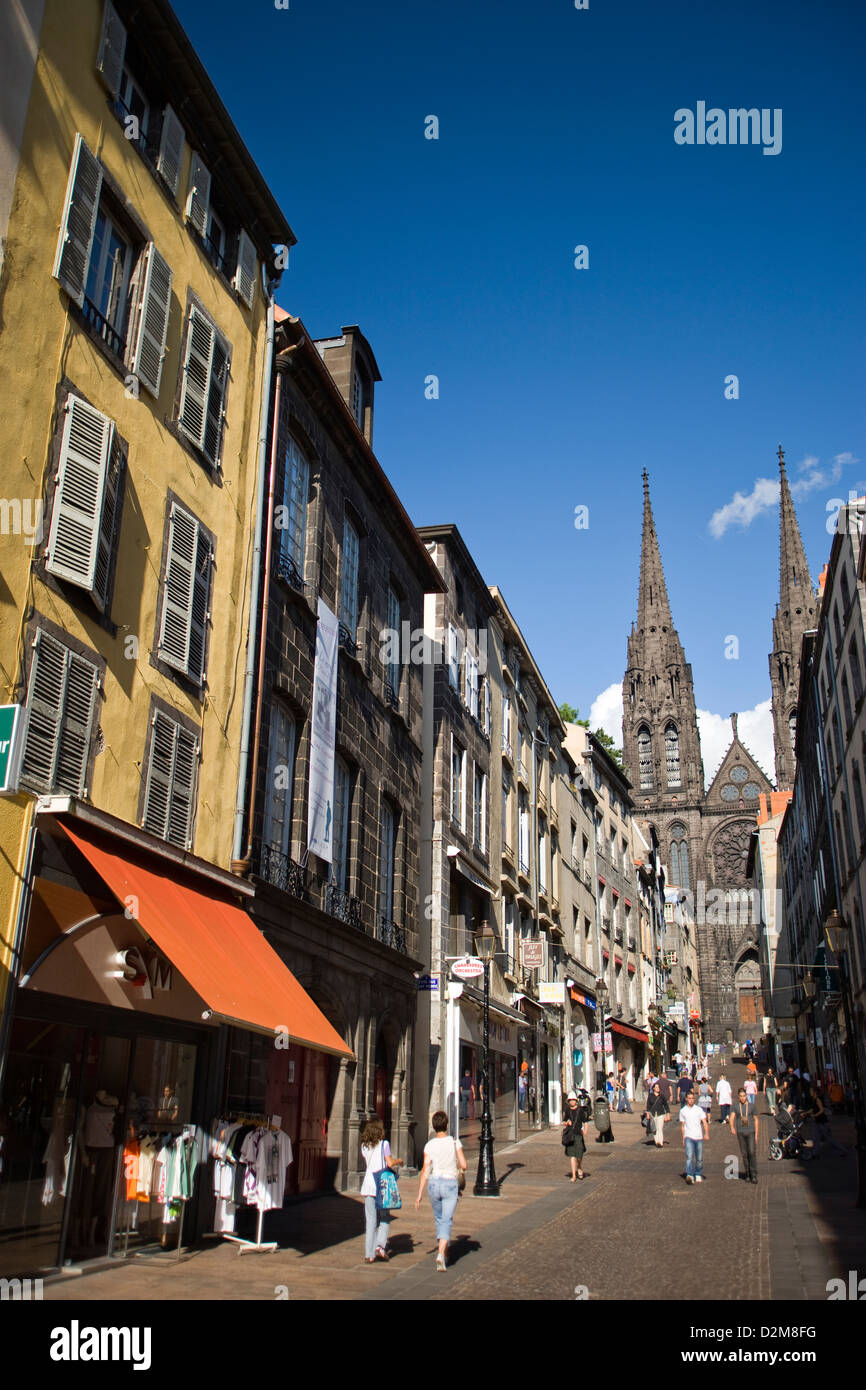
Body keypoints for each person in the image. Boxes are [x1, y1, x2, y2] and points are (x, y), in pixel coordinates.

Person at [415, 1109, 467, 1272]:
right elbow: (464, 1164)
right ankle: (441, 1253)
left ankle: (443, 1250)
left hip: (434, 1184)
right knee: (446, 1220)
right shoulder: (454, 1142)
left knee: (439, 1219)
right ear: (446, 1125)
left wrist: (419, 1195)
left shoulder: (429, 1145)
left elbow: (425, 1169)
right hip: (450, 1184)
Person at [360, 1117, 404, 1263]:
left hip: (368, 1184)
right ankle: (380, 1246)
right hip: (382, 1185)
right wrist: (399, 1161)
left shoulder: (364, 1146)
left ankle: (369, 1254)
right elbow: (390, 1162)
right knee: (385, 1217)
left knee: (370, 1220)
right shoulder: (384, 1144)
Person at [804, 1087, 847, 1157]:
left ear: (815, 1092)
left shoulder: (818, 1099)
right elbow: (813, 1109)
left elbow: (821, 1110)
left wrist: (815, 1115)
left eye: (811, 1091)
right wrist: (805, 1113)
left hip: (822, 1122)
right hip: (817, 1122)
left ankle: (842, 1150)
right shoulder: (814, 1099)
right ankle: (815, 1152)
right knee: (816, 1137)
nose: (810, 1092)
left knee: (829, 1138)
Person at [729, 1085, 759, 1183]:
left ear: (746, 1096)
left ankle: (753, 1174)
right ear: (738, 1097)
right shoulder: (736, 1106)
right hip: (741, 1132)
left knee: (751, 1152)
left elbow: (756, 1120)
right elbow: (732, 1117)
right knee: (744, 1154)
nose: (742, 1098)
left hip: (750, 1132)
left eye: (744, 1096)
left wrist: (757, 1134)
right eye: (741, 1096)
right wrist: (732, 1127)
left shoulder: (751, 1106)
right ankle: (747, 1173)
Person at [679, 1090, 710, 1183]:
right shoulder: (683, 1111)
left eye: (693, 1098)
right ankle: (689, 1174)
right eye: (689, 1098)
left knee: (699, 1158)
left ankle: (698, 1173)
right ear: (686, 1099)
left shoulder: (698, 1109)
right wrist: (683, 1137)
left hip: (698, 1136)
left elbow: (704, 1122)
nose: (691, 1100)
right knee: (689, 1156)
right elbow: (683, 1125)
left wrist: (706, 1133)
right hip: (689, 1136)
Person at [562, 1091, 587, 1180]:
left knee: (579, 1155)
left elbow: (585, 1122)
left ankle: (579, 1167)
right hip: (570, 1135)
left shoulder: (580, 1110)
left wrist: (585, 1131)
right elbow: (564, 1121)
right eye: (570, 1100)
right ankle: (573, 1175)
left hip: (578, 1135)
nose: (572, 1102)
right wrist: (567, 1122)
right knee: (572, 1155)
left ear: (576, 1101)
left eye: (573, 1100)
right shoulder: (567, 1110)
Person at [647, 1081, 670, 1148]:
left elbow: (666, 1105)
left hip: (661, 1114)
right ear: (653, 1088)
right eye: (656, 1087)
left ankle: (660, 1142)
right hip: (653, 1114)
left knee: (660, 1128)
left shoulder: (661, 1096)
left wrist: (668, 1114)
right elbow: (648, 1105)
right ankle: (656, 1141)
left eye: (658, 1087)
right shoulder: (650, 1096)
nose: (657, 1088)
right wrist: (648, 1113)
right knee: (654, 1129)